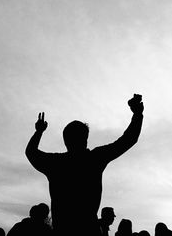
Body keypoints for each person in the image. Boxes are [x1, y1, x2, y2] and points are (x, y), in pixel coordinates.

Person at [26, 94, 144, 236]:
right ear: (86, 138)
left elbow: (31, 152)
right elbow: (128, 139)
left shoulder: (56, 163)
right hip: (89, 230)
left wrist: (38, 132)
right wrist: (137, 114)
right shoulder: (94, 159)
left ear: (65, 141)